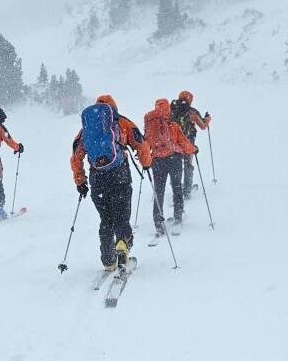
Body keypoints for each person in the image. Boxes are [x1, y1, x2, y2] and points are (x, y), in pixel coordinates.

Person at [70, 95, 153, 271]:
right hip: (119, 175)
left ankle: (108, 260)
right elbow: (141, 144)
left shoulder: (87, 129)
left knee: (106, 219)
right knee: (122, 215)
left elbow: (76, 155)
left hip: (97, 178)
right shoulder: (122, 122)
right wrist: (146, 163)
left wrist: (80, 181)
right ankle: (122, 244)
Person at [143, 98, 198, 237]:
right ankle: (178, 216)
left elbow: (145, 143)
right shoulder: (173, 125)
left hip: (156, 161)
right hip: (174, 159)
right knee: (177, 187)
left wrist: (145, 160)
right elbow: (184, 142)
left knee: (158, 192)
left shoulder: (150, 125)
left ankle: (158, 223)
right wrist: (193, 149)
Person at [170, 90, 211, 197]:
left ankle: (176, 188)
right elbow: (202, 126)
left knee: (176, 165)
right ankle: (187, 191)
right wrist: (207, 120)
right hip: (188, 142)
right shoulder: (193, 112)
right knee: (188, 164)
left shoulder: (172, 110)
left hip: (174, 143)